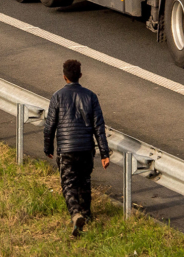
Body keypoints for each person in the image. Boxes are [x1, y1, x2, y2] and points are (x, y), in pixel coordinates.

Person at [44, 59, 110, 238]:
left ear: (64, 76)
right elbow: (99, 127)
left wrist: (48, 146)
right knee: (85, 181)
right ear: (80, 75)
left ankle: (75, 214)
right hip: (86, 149)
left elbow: (50, 125)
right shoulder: (91, 96)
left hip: (66, 149)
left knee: (68, 183)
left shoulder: (57, 96)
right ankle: (87, 215)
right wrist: (104, 153)